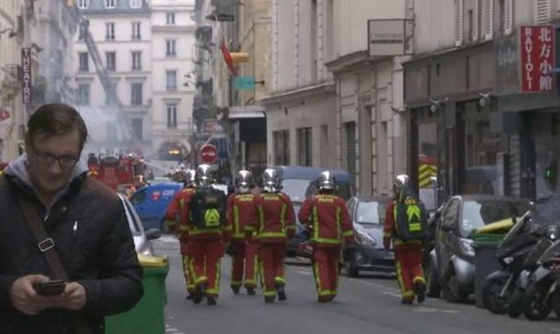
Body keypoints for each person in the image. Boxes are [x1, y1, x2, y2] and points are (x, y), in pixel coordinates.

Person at [0, 103, 143, 333]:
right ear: (27, 146)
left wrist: (87, 294)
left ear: (80, 153)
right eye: (46, 156)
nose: (55, 169)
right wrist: (9, 291)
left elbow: (130, 283)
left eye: (67, 159)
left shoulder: (105, 203)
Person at [298, 171, 354, 303]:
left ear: (319, 186)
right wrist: (350, 241)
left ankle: (324, 292)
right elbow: (346, 223)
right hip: (335, 241)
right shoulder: (339, 202)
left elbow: (302, 217)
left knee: (321, 265)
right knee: (333, 266)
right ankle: (333, 291)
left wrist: (310, 225)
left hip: (319, 241)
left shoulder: (313, 200)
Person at [247, 168, 296, 303]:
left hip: (264, 238)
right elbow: (291, 222)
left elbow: (252, 221)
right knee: (279, 261)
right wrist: (289, 236)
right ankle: (279, 281)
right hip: (280, 237)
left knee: (267, 265)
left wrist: (249, 235)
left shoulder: (258, 199)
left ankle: (269, 293)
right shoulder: (284, 198)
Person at [185, 164, 229, 306]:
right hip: (215, 235)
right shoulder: (220, 195)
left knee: (195, 262)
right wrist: (227, 235)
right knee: (213, 265)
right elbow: (226, 217)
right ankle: (211, 293)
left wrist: (185, 233)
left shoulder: (192, 195)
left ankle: (200, 279)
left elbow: (186, 216)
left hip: (196, 234)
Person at [383, 174, 428, 305]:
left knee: (402, 268)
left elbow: (388, 226)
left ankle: (408, 295)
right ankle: (419, 280)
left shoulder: (393, 205)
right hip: (417, 241)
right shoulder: (419, 203)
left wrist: (386, 242)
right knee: (416, 265)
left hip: (400, 242)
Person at [163, 169, 197, 299]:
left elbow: (170, 214)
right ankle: (206, 284)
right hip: (204, 234)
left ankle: (192, 287)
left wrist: (173, 229)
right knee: (203, 261)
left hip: (185, 235)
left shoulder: (181, 195)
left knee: (188, 261)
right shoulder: (204, 193)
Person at [226, 170, 259, 296]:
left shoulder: (232, 199)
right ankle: (250, 284)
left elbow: (229, 217)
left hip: (236, 235)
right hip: (252, 235)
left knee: (237, 260)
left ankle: (236, 284)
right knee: (251, 259)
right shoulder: (256, 199)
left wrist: (228, 235)